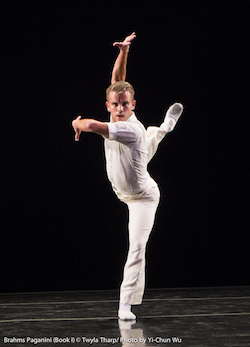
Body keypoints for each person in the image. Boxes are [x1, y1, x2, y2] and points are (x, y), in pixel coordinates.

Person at [72, 33, 183, 320]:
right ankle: (164, 128)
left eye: (125, 104)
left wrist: (77, 122)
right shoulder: (118, 114)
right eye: (115, 104)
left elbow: (93, 125)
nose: (120, 109)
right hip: (125, 186)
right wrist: (124, 51)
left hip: (143, 197)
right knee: (146, 143)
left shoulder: (125, 127)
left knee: (136, 245)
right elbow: (117, 81)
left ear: (133, 105)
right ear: (109, 104)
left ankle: (125, 304)